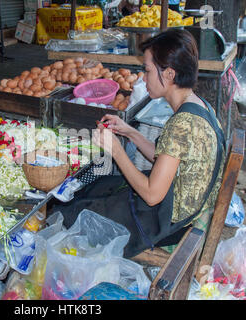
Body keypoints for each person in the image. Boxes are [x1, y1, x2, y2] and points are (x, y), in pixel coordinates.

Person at [50, 29, 226, 258]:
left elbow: (153, 195)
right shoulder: (201, 106)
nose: (144, 77)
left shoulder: (182, 124)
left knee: (70, 212)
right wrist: (130, 132)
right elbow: (167, 159)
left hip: (167, 222)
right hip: (180, 206)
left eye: (148, 70)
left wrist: (116, 150)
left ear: (170, 74)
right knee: (94, 187)